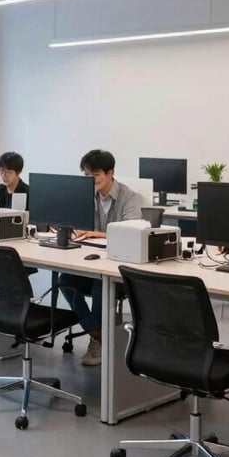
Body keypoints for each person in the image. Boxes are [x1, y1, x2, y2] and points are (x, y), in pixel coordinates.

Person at [57, 149, 142, 366]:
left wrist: (100, 234)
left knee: (99, 285)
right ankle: (95, 330)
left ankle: (98, 340)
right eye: (86, 176)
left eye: (94, 175)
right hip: (91, 259)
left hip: (119, 268)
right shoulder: (85, 195)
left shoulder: (129, 197)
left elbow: (133, 232)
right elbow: (75, 222)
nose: (90, 180)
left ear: (110, 173)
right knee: (65, 281)